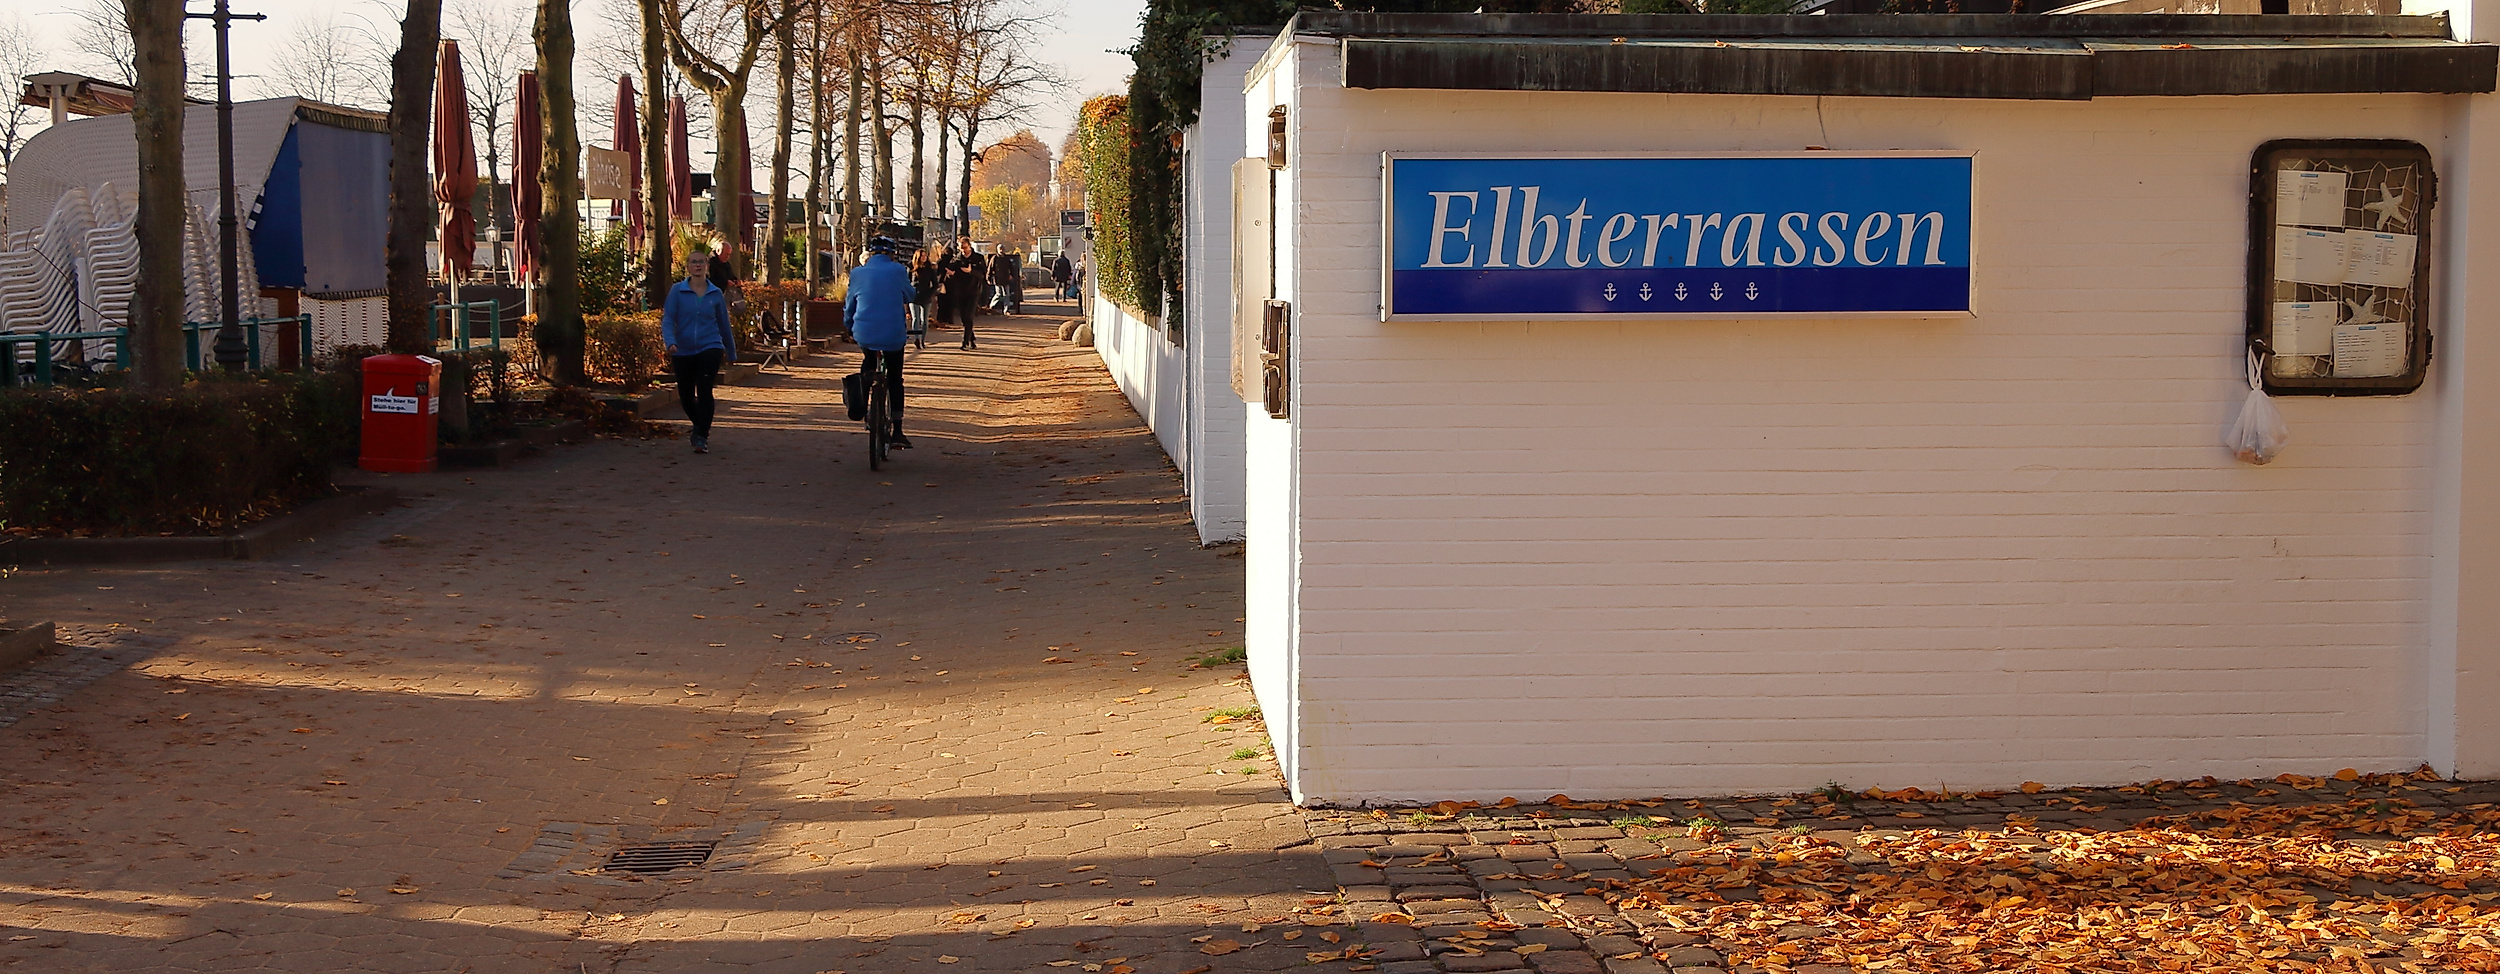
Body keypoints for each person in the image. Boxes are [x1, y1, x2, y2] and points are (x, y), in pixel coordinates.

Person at [662, 248, 737, 454]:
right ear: (687, 266)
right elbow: (668, 319)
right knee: (685, 395)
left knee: (704, 389)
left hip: (709, 346)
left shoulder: (715, 294)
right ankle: (699, 424)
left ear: (707, 266)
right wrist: (670, 341)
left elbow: (723, 324)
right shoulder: (677, 291)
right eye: (693, 262)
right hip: (682, 349)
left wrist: (731, 352)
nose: (697, 265)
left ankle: (701, 436)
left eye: (701, 262)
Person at [846, 236, 917, 448]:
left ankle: (862, 402)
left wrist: (849, 325)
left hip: (864, 331)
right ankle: (898, 429)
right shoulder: (898, 271)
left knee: (868, 359)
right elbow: (911, 295)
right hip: (893, 333)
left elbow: (850, 304)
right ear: (892, 253)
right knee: (895, 378)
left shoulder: (857, 273)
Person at [945, 243, 986, 350]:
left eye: (965, 248)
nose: (963, 251)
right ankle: (972, 339)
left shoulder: (978, 258)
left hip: (974, 291)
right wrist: (951, 274)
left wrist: (971, 271)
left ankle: (965, 342)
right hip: (960, 291)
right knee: (964, 317)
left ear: (969, 246)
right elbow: (949, 272)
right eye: (961, 248)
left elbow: (982, 275)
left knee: (969, 316)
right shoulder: (957, 259)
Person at [909, 246, 941, 341]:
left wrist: (930, 293)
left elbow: (935, 284)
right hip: (914, 296)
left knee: (924, 320)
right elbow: (907, 282)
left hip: (926, 296)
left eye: (925, 256)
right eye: (921, 256)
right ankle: (916, 338)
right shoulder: (911, 268)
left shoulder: (930, 269)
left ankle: (922, 339)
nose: (924, 258)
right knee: (915, 319)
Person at [990, 250, 1024, 314]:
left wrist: (1011, 275)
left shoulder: (1006, 258)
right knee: (999, 294)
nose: (1001, 250)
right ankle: (991, 306)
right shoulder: (995, 258)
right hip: (998, 279)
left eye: (1002, 249)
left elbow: (1011, 267)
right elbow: (990, 268)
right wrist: (988, 277)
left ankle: (1006, 310)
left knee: (1006, 295)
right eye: (1000, 249)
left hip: (1005, 279)